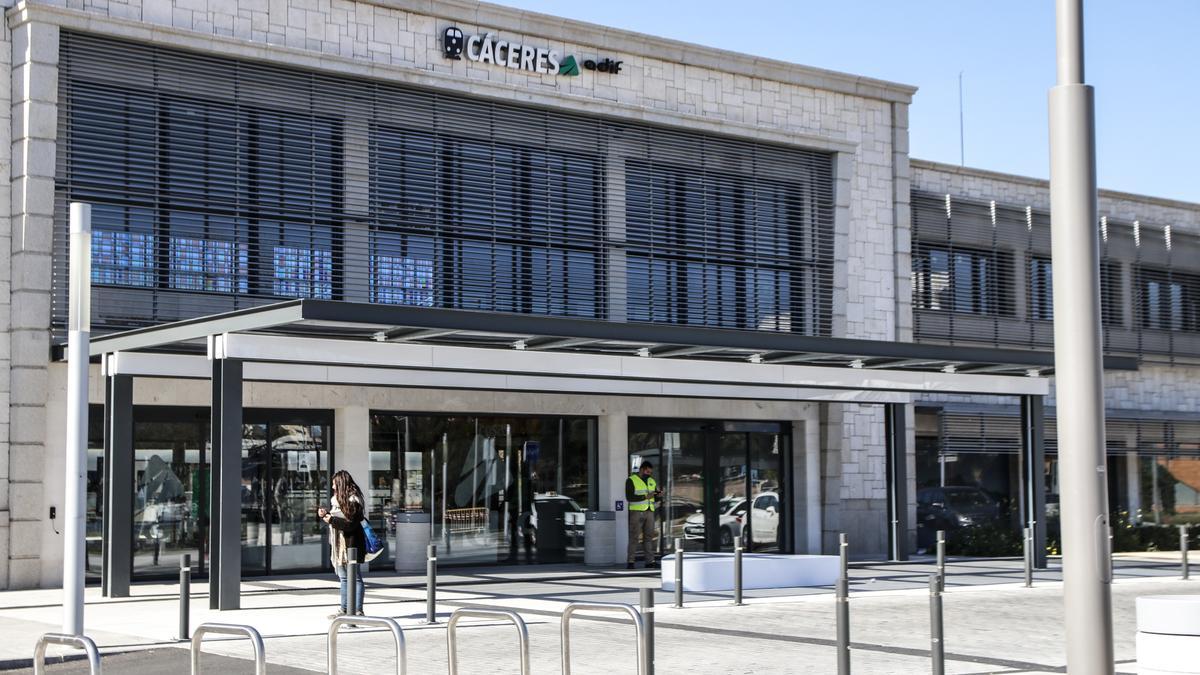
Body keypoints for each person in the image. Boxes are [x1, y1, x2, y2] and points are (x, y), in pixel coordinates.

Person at [318, 470, 366, 619]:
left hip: (351, 544)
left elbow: (350, 524)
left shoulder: (354, 500)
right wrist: (326, 514)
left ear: (341, 484)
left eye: (334, 484)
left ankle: (358, 610)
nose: (332, 487)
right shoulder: (336, 501)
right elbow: (339, 519)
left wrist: (331, 520)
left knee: (355, 578)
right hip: (339, 545)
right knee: (344, 578)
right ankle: (344, 609)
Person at [625, 460, 662, 569]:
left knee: (649, 537)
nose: (649, 474)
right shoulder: (631, 480)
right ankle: (631, 561)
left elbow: (654, 495)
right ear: (641, 470)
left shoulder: (651, 481)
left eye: (650, 472)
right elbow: (629, 497)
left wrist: (659, 494)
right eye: (647, 472)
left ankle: (649, 561)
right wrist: (645, 497)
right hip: (636, 512)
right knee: (634, 537)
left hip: (650, 511)